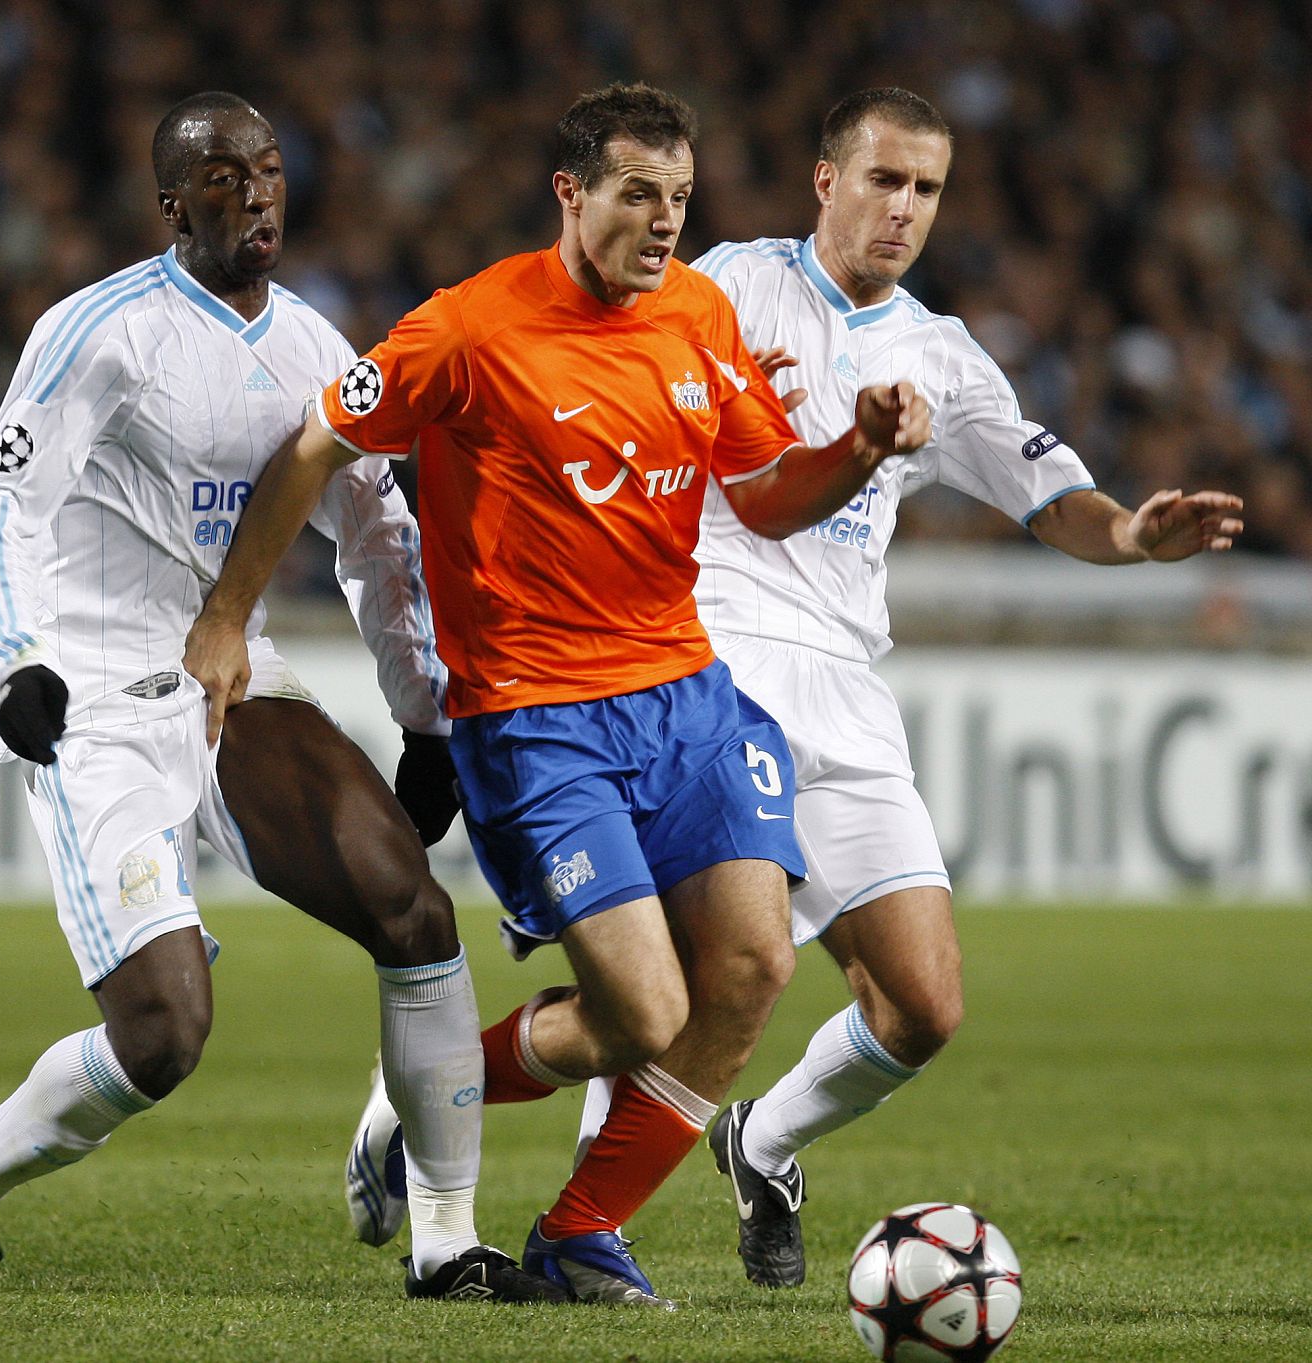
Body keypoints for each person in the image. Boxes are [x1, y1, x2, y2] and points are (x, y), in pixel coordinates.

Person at [184, 82, 932, 1308]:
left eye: (681, 199)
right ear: (570, 194)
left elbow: (759, 493)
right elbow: (316, 444)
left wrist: (852, 451)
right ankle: (423, 1100)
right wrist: (224, 618)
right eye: (638, 194)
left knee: (748, 969)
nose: (664, 222)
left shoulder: (696, 315)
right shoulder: (470, 330)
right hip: (535, 719)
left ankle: (581, 1228)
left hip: (686, 695)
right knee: (642, 1010)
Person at [0, 90, 564, 1306]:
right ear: (171, 204)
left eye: (266, 170)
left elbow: (377, 533)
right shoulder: (97, 332)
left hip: (231, 673)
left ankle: (449, 1242)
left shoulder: (313, 347)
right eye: (220, 177)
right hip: (95, 692)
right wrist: (17, 664)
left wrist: (424, 713)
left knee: (412, 914)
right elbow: (7, 508)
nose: (254, 193)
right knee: (162, 1034)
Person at [643, 86, 1241, 1290]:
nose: (901, 209)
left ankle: (763, 1141)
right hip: (704, 665)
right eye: (882, 180)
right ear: (824, 180)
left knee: (921, 1006)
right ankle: (438, 1121)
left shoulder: (944, 356)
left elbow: (1044, 495)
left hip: (843, 692)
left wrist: (1131, 535)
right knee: (666, 989)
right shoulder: (719, 289)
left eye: (924, 189)